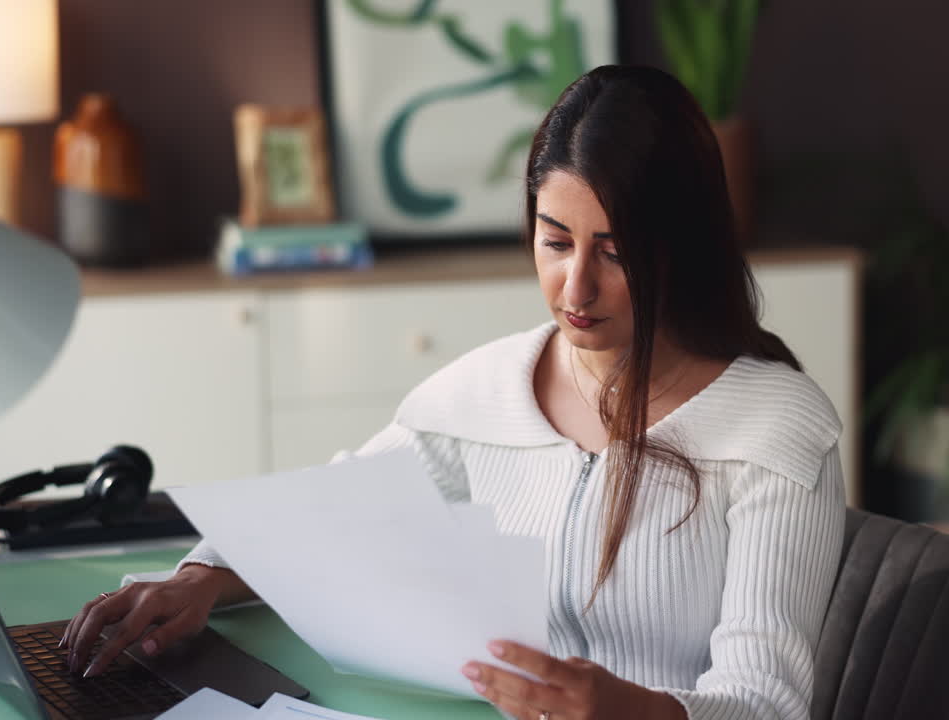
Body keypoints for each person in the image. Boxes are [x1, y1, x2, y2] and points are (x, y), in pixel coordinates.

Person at [60, 64, 846, 720]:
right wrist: (198, 580)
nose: (576, 286)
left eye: (616, 251)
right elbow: (328, 510)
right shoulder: (488, 391)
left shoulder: (774, 433)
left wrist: (620, 707)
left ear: (683, 244)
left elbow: (765, 703)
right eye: (555, 241)